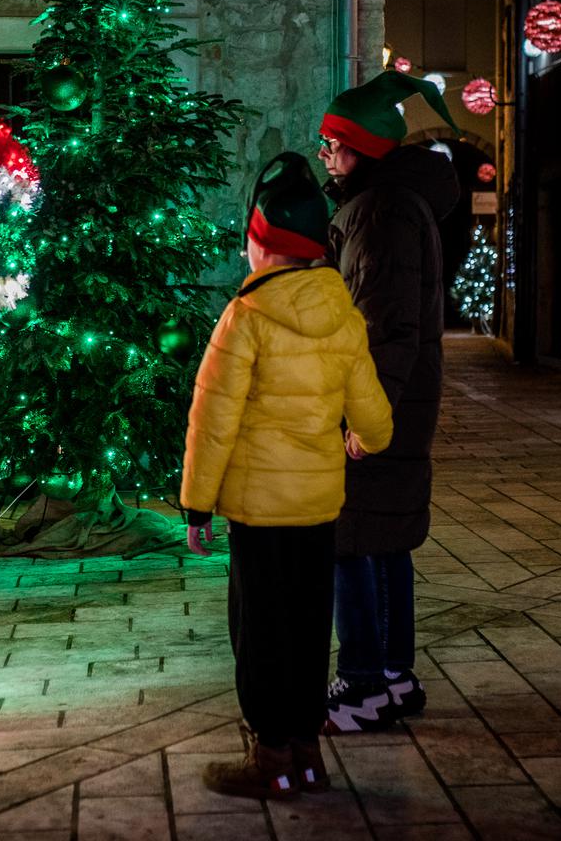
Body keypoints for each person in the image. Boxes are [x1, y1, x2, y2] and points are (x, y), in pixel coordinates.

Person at [181, 152, 393, 800]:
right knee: (307, 627)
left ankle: (271, 755)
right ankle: (307, 751)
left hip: (256, 510)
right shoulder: (343, 315)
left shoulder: (245, 318)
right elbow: (376, 418)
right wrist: (361, 438)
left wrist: (196, 506)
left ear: (265, 244)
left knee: (259, 631)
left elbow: (212, 421)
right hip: (317, 507)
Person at [315, 71, 462, 733]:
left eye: (334, 145)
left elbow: (382, 323)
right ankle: (396, 677)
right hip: (400, 398)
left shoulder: (377, 213)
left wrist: (360, 416)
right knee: (387, 538)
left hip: (380, 403)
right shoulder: (395, 205)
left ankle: (364, 685)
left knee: (353, 539)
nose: (324, 155)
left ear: (364, 150)